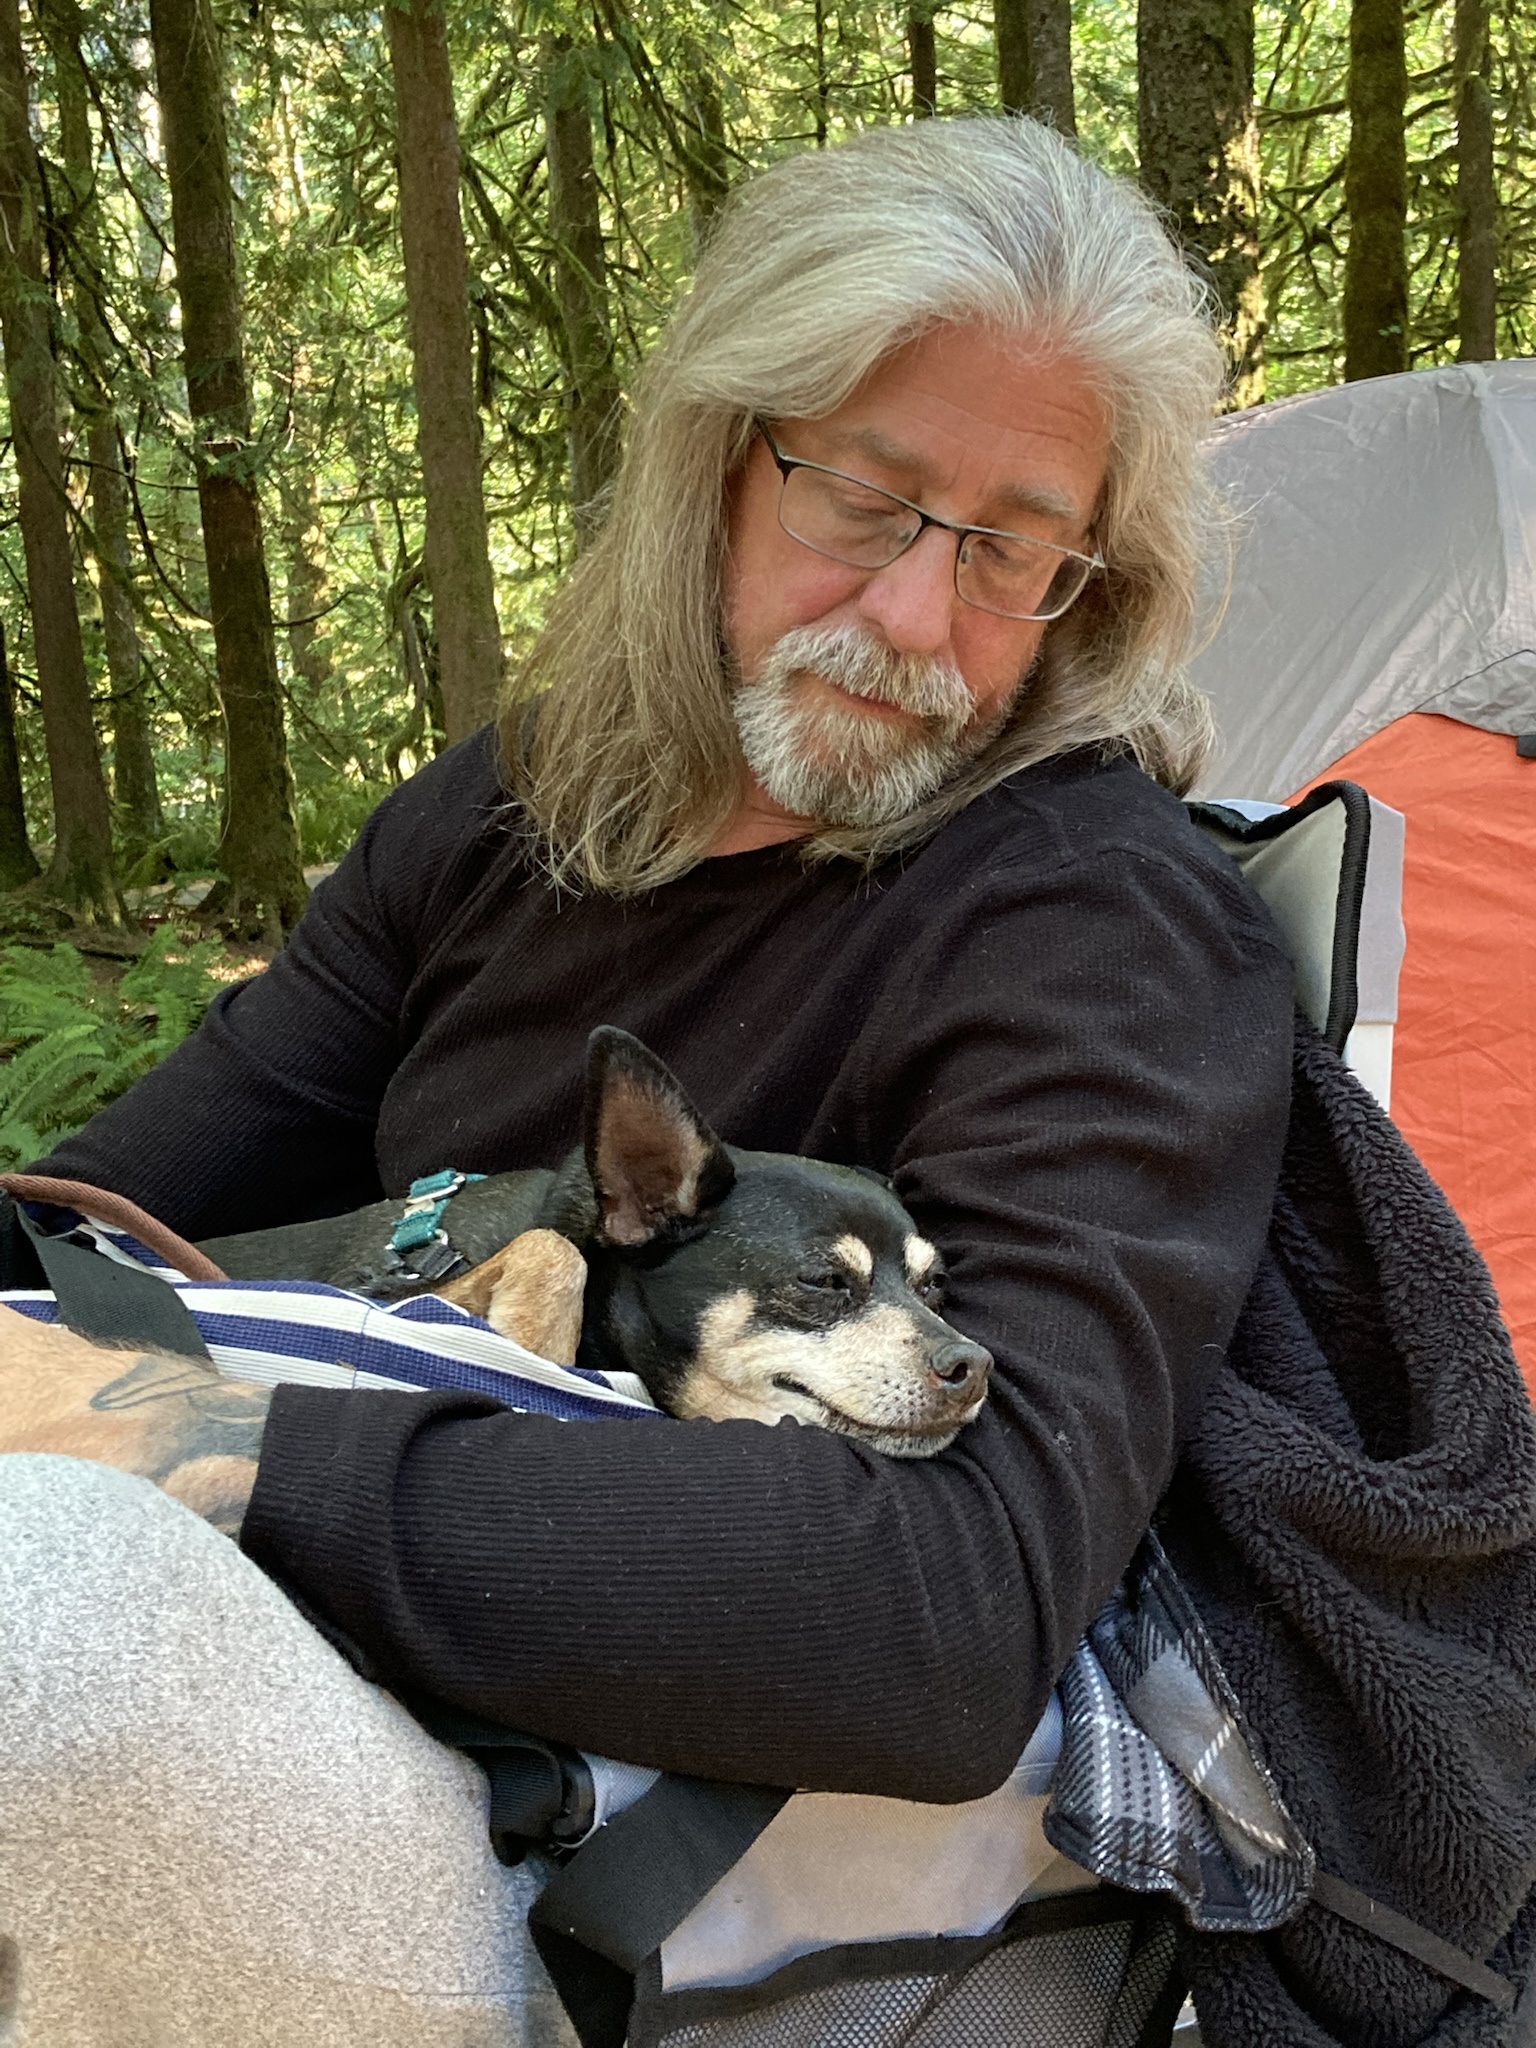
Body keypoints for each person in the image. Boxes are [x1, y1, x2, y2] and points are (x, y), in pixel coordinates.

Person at [0, 117, 1294, 2043]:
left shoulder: (1102, 932)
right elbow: (114, 1202)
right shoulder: (522, 813)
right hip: (343, 1666)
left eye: (1016, 547)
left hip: (651, 1857)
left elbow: (954, 1620)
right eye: (865, 497)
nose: (922, 622)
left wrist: (191, 1436)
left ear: (1088, 588)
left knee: (40, 1618)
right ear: (714, 459)